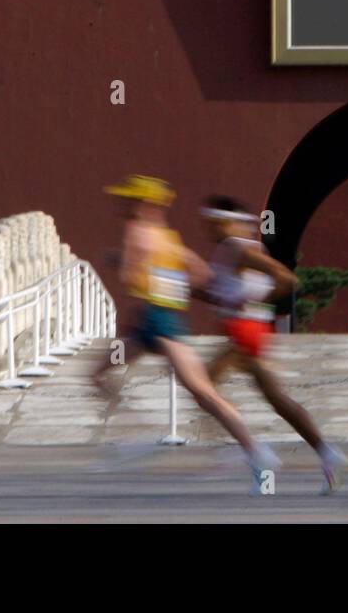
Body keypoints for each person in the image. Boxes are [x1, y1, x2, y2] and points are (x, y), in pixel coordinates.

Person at [92, 175, 279, 492]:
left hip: (157, 321)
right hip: (157, 320)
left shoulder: (136, 232)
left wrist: (119, 261)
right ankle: (136, 439)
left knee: (202, 392)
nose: (123, 205)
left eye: (129, 199)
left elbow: (129, 276)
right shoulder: (168, 236)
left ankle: (255, 451)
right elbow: (200, 272)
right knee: (101, 374)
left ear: (144, 202)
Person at [199, 196, 348, 495]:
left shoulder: (236, 248)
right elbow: (223, 294)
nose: (207, 230)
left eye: (211, 224)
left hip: (244, 329)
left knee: (204, 386)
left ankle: (251, 451)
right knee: (276, 399)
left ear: (226, 222)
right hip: (252, 329)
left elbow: (286, 279)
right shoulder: (240, 248)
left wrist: (250, 302)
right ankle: (326, 453)